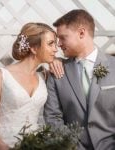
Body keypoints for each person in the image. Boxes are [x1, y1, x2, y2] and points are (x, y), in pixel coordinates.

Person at [0, 22, 58, 150]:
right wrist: (1, 146)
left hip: (34, 145)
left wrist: (59, 61)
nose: (56, 49)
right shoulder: (2, 76)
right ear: (34, 48)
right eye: (51, 44)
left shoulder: (45, 77)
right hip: (2, 144)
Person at [44, 9, 115, 150]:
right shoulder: (56, 72)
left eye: (63, 37)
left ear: (82, 33)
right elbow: (53, 118)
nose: (58, 44)